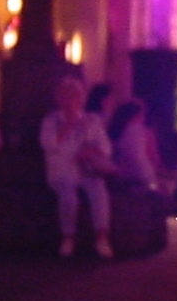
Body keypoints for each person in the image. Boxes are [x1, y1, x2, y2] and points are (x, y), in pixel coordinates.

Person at [40, 76, 115, 259]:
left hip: (87, 170)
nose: (70, 101)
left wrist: (91, 150)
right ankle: (68, 237)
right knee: (68, 197)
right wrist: (66, 127)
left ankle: (101, 238)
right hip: (62, 171)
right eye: (65, 96)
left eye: (74, 96)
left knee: (99, 192)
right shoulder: (51, 121)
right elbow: (48, 144)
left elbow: (105, 147)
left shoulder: (92, 120)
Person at [109, 98, 161, 192]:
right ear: (138, 115)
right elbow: (154, 158)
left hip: (119, 178)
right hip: (143, 178)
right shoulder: (145, 132)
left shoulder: (113, 131)